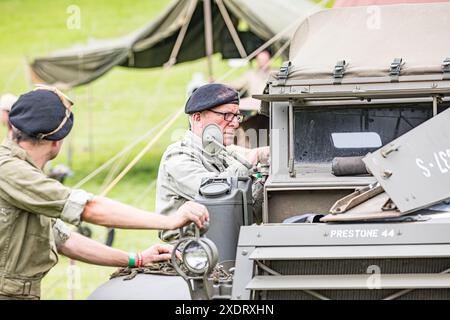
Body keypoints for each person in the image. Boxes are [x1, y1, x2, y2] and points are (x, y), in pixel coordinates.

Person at [0, 86, 209, 300]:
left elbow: (64, 240)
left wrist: (136, 259)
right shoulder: (9, 170)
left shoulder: (19, 171)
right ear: (57, 140)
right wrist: (169, 221)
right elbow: (88, 208)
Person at [155, 83, 269, 241]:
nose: (236, 123)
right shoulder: (178, 157)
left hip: (228, 241)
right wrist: (254, 157)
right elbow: (216, 192)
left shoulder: (223, 151)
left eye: (237, 116)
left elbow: (248, 212)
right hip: (193, 251)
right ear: (197, 118)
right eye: (227, 115)